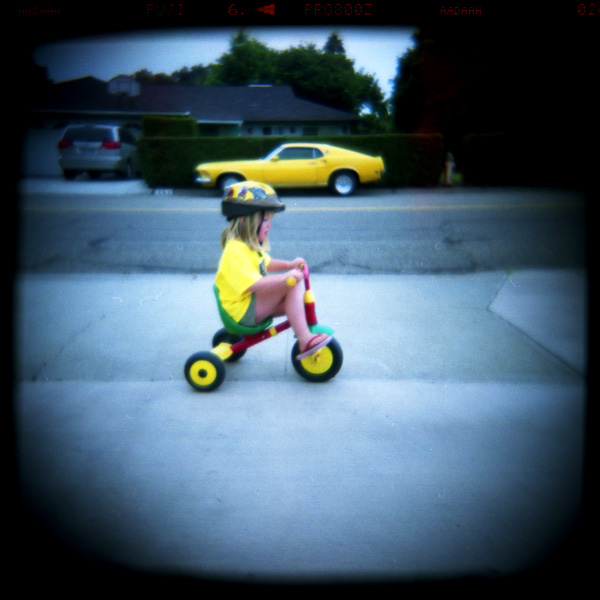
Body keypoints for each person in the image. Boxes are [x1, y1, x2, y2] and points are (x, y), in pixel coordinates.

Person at [215, 181, 331, 360]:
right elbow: (252, 284)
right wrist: (286, 279)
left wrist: (289, 265)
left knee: (294, 300)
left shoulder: (248, 246)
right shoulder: (235, 250)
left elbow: (265, 264)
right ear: (247, 219)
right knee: (291, 287)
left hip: (247, 305)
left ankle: (304, 332)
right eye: (266, 220)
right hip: (241, 311)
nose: (270, 225)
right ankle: (304, 339)